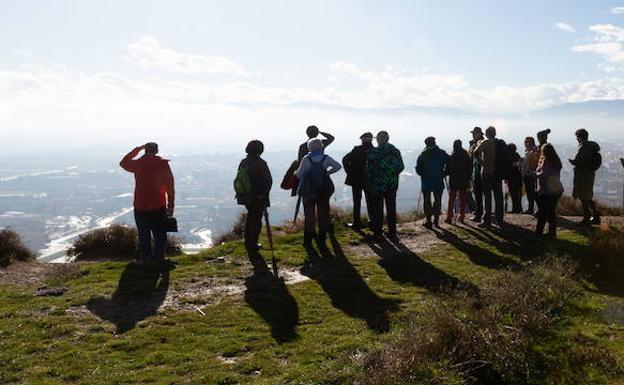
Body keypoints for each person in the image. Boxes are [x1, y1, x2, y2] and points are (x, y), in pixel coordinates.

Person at [120, 142, 175, 263]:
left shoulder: (138, 164)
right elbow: (170, 187)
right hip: (158, 205)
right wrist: (170, 206)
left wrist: (138, 149)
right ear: (157, 151)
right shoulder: (163, 165)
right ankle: (159, 259)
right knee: (160, 234)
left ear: (145, 150)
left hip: (140, 205)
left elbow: (123, 163)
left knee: (144, 235)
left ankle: (146, 260)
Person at [295, 138, 341, 247]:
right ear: (321, 147)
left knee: (309, 215)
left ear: (309, 147)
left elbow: (299, 174)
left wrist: (296, 172)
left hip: (309, 191)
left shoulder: (307, 159)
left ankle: (308, 240)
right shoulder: (326, 158)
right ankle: (322, 238)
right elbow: (338, 166)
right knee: (323, 214)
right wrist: (328, 173)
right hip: (323, 190)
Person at [365, 131, 404, 241]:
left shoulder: (373, 153)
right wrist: (392, 175)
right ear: (388, 139)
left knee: (378, 210)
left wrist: (371, 182)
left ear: (377, 140)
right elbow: (401, 166)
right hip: (391, 185)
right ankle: (392, 232)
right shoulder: (394, 151)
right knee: (391, 208)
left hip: (377, 186)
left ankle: (378, 233)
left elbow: (368, 171)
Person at [236, 140, 273, 254]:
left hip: (246, 195)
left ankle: (248, 242)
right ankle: (253, 244)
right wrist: (264, 194)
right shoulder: (260, 163)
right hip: (258, 196)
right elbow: (268, 181)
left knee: (250, 218)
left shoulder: (244, 162)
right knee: (256, 220)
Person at [473, 126, 509, 228]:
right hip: (497, 173)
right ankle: (500, 219)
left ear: (487, 133)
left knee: (487, 197)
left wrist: (482, 163)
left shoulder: (485, 143)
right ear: (495, 133)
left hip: (486, 172)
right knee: (498, 196)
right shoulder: (500, 143)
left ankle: (487, 220)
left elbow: (476, 153)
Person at [569, 129, 602, 226]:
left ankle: (587, 219)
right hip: (589, 174)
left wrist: (573, 162)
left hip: (583, 175)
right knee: (587, 196)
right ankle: (595, 216)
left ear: (580, 137)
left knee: (584, 197)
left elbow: (580, 161)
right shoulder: (591, 147)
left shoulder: (584, 147)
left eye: (577, 137)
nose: (576, 139)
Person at [342, 132, 374, 230]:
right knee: (371, 201)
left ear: (362, 140)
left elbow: (345, 160)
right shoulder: (374, 151)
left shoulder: (357, 150)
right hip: (370, 179)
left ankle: (357, 222)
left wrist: (350, 173)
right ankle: (373, 222)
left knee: (357, 201)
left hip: (356, 180)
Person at [416, 137, 449, 229]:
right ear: (434, 143)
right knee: (437, 200)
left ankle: (429, 221)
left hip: (426, 180)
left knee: (427, 201)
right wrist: (445, 172)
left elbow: (418, 168)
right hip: (438, 179)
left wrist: (422, 173)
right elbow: (450, 161)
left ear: (426, 144)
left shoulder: (423, 154)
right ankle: (436, 221)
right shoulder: (441, 153)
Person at [535, 144, 564, 238]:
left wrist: (535, 172)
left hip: (546, 191)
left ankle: (539, 232)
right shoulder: (557, 161)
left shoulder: (546, 161)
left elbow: (543, 174)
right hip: (556, 189)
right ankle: (552, 233)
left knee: (543, 213)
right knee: (551, 212)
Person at [445, 140, 472, 224]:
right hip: (464, 180)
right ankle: (462, 216)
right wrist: (468, 177)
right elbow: (469, 167)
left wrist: (444, 173)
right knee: (463, 198)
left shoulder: (453, 155)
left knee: (452, 199)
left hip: (454, 180)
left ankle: (449, 217)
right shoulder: (466, 155)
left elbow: (449, 168)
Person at [468, 127, 485, 222]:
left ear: (479, 133)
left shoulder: (481, 143)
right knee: (478, 193)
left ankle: (479, 214)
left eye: (474, 133)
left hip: (479, 172)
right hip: (475, 172)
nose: (473, 135)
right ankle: (479, 212)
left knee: (479, 193)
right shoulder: (474, 144)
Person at [521, 136, 540, 215]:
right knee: (529, 193)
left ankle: (538, 209)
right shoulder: (528, 151)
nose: (525, 143)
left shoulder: (534, 151)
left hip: (532, 174)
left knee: (533, 193)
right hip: (527, 174)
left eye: (527, 142)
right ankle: (530, 208)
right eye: (525, 142)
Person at [506, 143, 523, 214]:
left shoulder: (509, 156)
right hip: (518, 177)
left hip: (512, 177)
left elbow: (508, 167)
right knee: (518, 193)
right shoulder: (517, 155)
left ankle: (515, 208)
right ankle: (518, 208)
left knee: (513, 194)